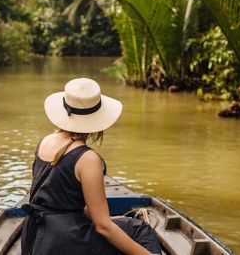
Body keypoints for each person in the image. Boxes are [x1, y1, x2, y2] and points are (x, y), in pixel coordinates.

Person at [21, 78, 161, 255]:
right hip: (66, 242)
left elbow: (59, 202)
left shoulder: (45, 141)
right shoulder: (88, 158)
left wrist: (110, 220)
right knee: (139, 229)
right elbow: (103, 227)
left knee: (120, 225)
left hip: (35, 237)